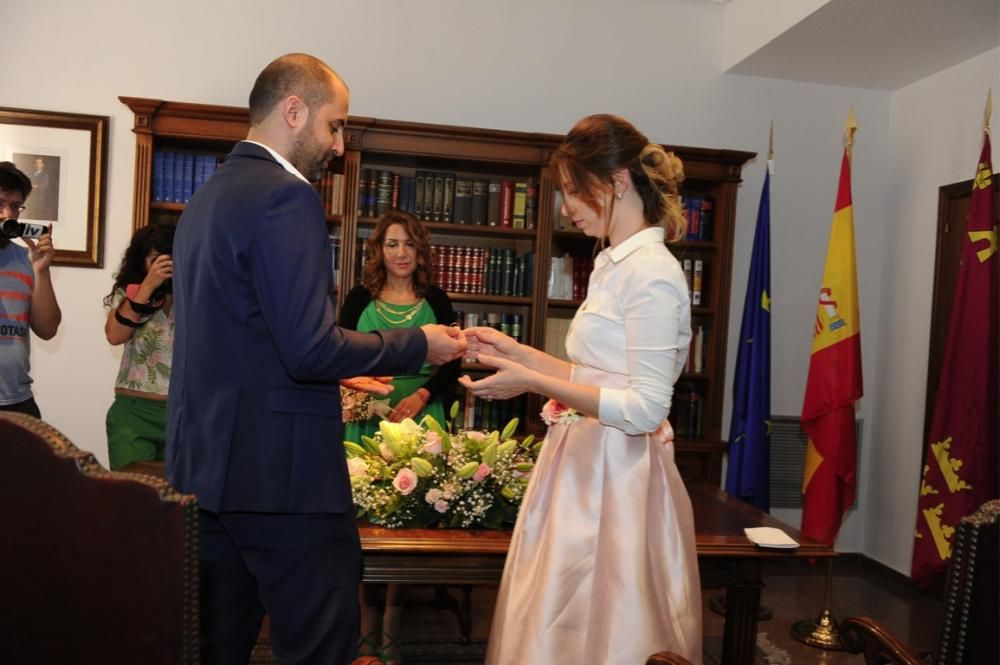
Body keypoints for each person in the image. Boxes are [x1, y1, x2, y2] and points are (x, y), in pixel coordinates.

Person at [165, 53, 466, 665]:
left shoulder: (206, 199)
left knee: (217, 648)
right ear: (293, 111)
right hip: (284, 480)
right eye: (335, 126)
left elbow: (249, 340)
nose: (338, 145)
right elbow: (308, 349)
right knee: (318, 648)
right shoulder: (286, 197)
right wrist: (421, 343)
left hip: (208, 475)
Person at [460, 114, 702, 664]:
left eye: (574, 190)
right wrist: (512, 351)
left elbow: (644, 409)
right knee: (558, 619)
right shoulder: (610, 265)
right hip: (581, 465)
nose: (566, 206)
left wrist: (529, 382)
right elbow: (590, 375)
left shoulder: (654, 274)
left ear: (616, 182)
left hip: (619, 478)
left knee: (608, 621)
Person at [339, 210, 460, 664]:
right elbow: (339, 357)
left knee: (408, 527)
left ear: (420, 249)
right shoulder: (357, 298)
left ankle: (391, 626)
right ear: (379, 251)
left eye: (409, 244)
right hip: (366, 416)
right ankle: (364, 628)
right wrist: (374, 403)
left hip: (423, 419)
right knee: (365, 528)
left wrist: (423, 394)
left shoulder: (438, 300)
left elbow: (455, 362)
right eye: (392, 244)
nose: (402, 253)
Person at [103, 223, 175, 470]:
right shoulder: (130, 293)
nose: (165, 266)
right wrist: (148, 286)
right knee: (131, 498)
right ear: (141, 260)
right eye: (156, 259)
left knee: (177, 501)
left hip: (182, 413)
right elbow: (115, 334)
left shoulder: (195, 294)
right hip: (134, 414)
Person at [0, 161, 61, 419]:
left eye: (15, 206)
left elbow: (47, 329)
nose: (8, 214)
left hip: (18, 401)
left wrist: (41, 270)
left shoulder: (26, 259)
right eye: (0, 203)